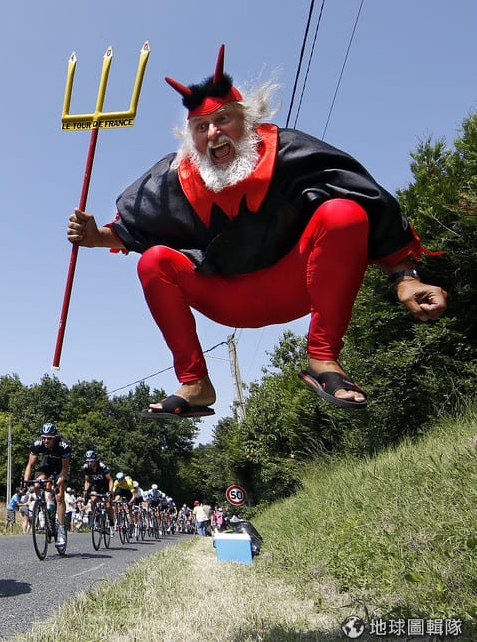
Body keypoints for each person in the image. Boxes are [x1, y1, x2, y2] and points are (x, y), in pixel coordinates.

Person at [67, 44, 448, 415]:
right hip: (227, 297)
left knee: (343, 212)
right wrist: (95, 236)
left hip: (297, 281)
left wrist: (405, 278)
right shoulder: (175, 176)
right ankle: (195, 382)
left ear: (246, 120)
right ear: (191, 138)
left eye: (223, 120)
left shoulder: (289, 151)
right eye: (201, 127)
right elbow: (134, 228)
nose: (213, 133)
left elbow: (366, 198)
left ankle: (323, 358)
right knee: (154, 261)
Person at [22, 422, 72, 547]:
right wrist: (25, 483)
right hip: (47, 464)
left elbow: (65, 469)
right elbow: (30, 465)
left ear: (54, 437)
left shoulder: (63, 445)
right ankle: (42, 507)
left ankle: (61, 530)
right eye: (43, 437)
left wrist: (57, 483)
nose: (45, 440)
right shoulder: (38, 444)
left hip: (61, 468)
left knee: (59, 495)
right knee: (37, 484)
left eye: (49, 438)